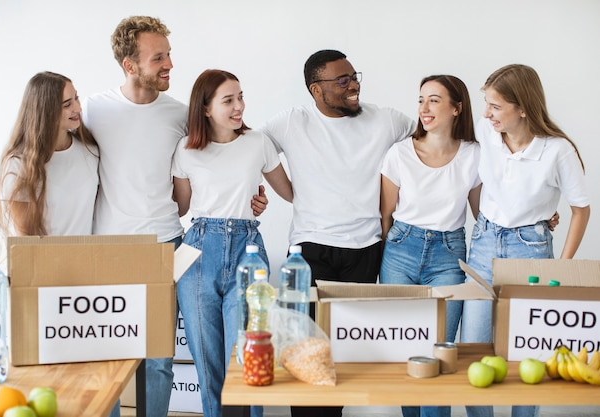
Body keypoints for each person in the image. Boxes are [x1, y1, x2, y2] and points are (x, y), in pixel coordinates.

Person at [81, 16, 268, 417]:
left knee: (159, 360)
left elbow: (215, 163)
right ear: (130, 66)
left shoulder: (180, 115)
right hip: (109, 248)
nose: (169, 64)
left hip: (169, 245)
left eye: (169, 54)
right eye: (158, 57)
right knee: (108, 359)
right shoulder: (93, 111)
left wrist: (247, 200)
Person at [261, 49, 416, 417]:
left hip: (366, 249)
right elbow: (250, 148)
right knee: (308, 352)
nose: (354, 85)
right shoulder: (290, 122)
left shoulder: (387, 120)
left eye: (354, 76)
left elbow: (434, 144)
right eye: (342, 80)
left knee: (343, 356)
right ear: (317, 89)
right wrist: (285, 192)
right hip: (311, 250)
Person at [460, 64, 590, 417]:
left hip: (530, 249)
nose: (486, 113)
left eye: (496, 106)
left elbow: (581, 209)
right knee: (473, 348)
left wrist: (562, 268)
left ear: (523, 108)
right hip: (484, 241)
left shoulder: (557, 150)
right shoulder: (487, 133)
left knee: (527, 350)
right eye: (486, 103)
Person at [172, 69, 293, 417]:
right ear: (206, 108)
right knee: (207, 362)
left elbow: (290, 192)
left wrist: (260, 201)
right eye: (229, 100)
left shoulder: (258, 143)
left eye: (240, 97)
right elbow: (180, 207)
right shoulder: (185, 149)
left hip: (247, 249)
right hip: (196, 248)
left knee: (246, 359)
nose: (239, 106)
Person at [379, 74, 480, 417]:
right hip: (400, 250)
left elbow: (484, 215)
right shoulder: (398, 153)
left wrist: (543, 216)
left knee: (439, 354)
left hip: (449, 255)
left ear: (457, 108)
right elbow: (385, 215)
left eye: (434, 100)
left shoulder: (474, 156)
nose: (424, 108)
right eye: (421, 99)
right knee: (408, 351)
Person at [0, 71, 98, 238]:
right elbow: (26, 241)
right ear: (46, 110)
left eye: (76, 98)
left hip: (86, 260)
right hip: (44, 262)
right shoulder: (18, 164)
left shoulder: (90, 151)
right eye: (66, 104)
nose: (78, 108)